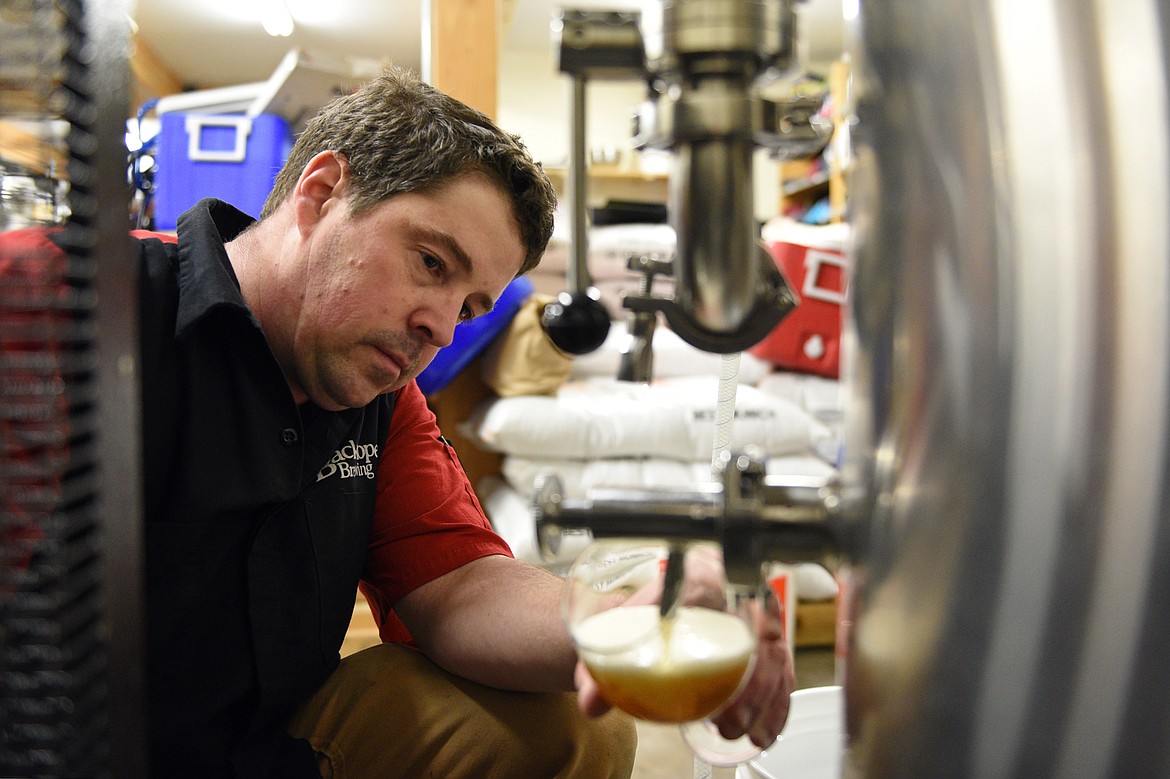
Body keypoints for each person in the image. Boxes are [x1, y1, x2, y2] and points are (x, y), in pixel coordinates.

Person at [7, 66, 795, 777]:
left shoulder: (381, 399)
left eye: (470, 305)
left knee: (574, 729)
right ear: (320, 192)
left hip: (274, 748)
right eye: (431, 263)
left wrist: (618, 618)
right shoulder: (58, 299)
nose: (443, 329)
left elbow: (460, 586)